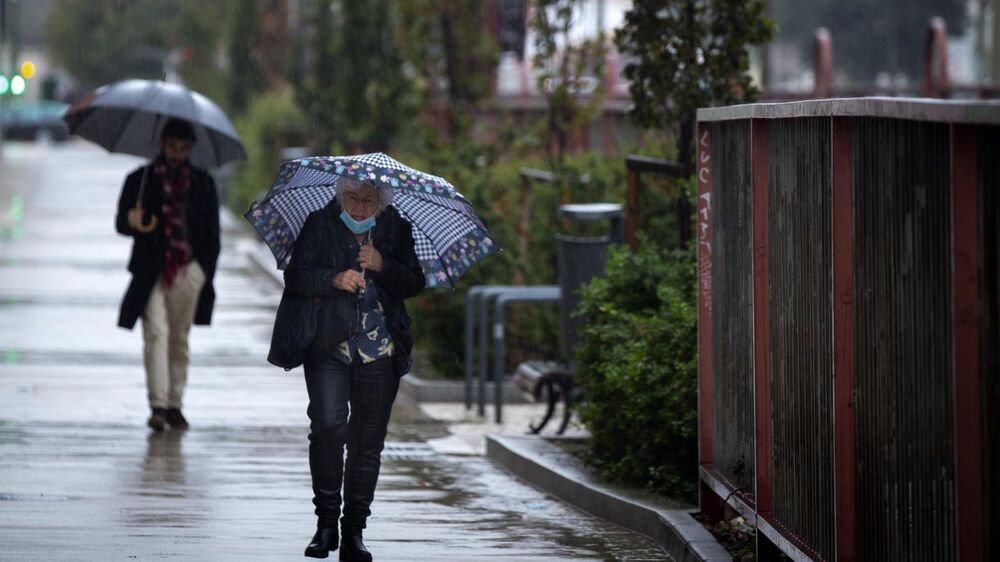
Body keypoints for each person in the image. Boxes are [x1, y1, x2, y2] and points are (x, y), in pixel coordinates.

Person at [278, 176, 424, 561]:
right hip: (329, 345)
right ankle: (325, 524)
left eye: (369, 201)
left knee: (367, 442)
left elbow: (414, 282)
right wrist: (333, 278)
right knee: (327, 427)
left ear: (382, 203)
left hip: (380, 350)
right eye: (353, 199)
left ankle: (354, 530)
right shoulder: (319, 223)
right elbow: (295, 277)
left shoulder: (396, 228)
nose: (359, 207)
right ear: (340, 198)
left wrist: (383, 265)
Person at [115, 118, 221, 432]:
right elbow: (121, 224)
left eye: (182, 148)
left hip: (188, 270)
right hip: (151, 270)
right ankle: (158, 406)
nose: (176, 153)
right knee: (156, 334)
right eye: (171, 146)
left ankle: (175, 404)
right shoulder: (141, 179)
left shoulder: (203, 183)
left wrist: (203, 274)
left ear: (190, 149)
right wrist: (130, 219)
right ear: (162, 145)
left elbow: (213, 237)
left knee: (179, 339)